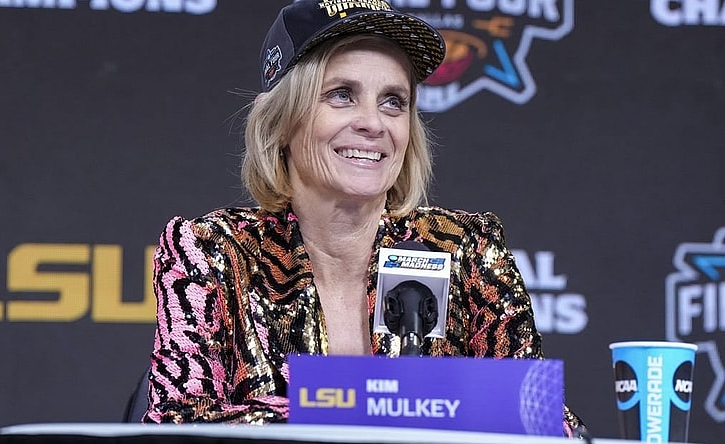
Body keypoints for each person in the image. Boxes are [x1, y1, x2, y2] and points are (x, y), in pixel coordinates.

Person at [144, 0, 587, 438]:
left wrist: (350, 405)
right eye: (342, 95)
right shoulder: (212, 251)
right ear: (281, 120)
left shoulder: (464, 251)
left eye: (394, 102)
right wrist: (372, 403)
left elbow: (547, 422)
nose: (373, 123)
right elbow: (179, 424)